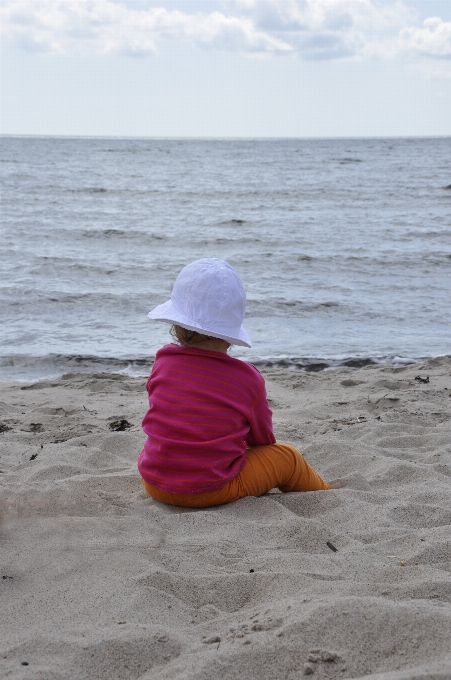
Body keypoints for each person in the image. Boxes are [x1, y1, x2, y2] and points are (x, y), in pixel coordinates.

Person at [138, 258, 338, 508]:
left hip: (155, 482)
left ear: (178, 326)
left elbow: (170, 414)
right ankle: (327, 493)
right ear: (230, 332)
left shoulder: (163, 361)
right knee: (287, 457)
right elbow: (263, 440)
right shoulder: (246, 378)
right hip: (209, 490)